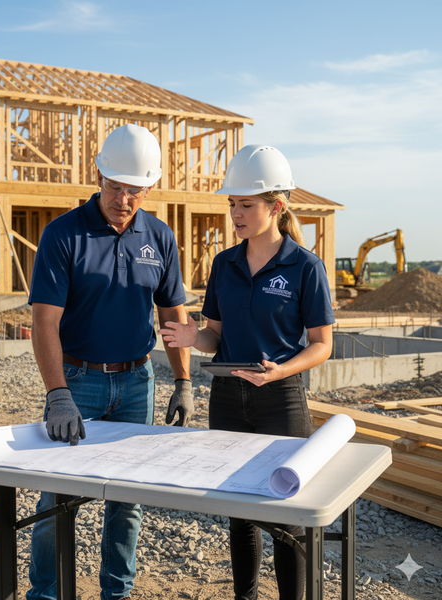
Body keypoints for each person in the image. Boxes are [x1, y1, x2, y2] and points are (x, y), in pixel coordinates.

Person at [159, 144, 335, 600]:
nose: (235, 214)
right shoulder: (224, 264)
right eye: (232, 204)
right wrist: (191, 338)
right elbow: (215, 336)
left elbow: (321, 345)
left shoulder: (305, 267)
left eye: (246, 205)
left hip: (282, 400)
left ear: (276, 207)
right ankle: (246, 596)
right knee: (240, 510)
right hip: (228, 398)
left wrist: (279, 373)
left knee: (285, 512)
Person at [27, 123, 193, 600]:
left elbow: (172, 314)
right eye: (116, 187)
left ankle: (116, 594)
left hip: (136, 382)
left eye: (135, 190)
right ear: (98, 175)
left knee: (128, 501)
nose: (124, 199)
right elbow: (44, 324)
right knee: (57, 497)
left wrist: (183, 381)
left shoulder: (158, 237)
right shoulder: (64, 235)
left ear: (148, 187)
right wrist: (58, 395)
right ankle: (46, 594)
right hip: (78, 382)